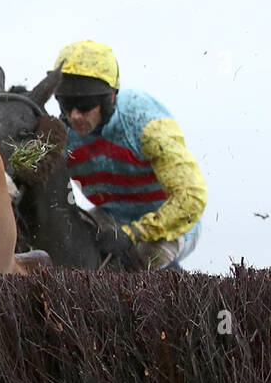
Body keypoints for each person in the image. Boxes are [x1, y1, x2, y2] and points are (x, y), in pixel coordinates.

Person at [52, 40, 206, 269]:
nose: (74, 116)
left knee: (145, 258)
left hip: (173, 220)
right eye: (66, 104)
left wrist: (133, 233)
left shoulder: (143, 120)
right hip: (110, 216)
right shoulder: (63, 132)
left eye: (84, 106)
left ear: (110, 98)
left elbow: (191, 198)